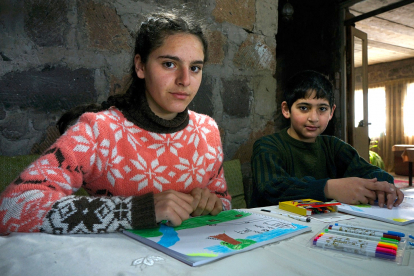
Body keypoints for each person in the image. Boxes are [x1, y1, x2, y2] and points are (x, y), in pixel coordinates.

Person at [0, 12, 231, 235]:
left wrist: (212, 204)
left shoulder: (207, 129)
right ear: (141, 66)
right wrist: (134, 211)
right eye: (169, 64)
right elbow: (12, 207)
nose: (185, 80)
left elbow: (224, 202)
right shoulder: (99, 130)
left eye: (195, 68)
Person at [251, 70, 404, 209]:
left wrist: (386, 186)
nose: (313, 118)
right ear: (286, 110)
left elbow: (371, 172)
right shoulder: (267, 146)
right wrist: (329, 188)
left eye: (322, 109)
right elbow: (272, 188)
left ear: (331, 113)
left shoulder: (333, 146)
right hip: (275, 228)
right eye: (304, 108)